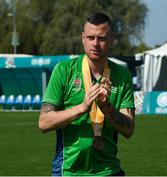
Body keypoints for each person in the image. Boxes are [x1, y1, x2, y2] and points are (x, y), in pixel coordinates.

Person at [38, 12, 135, 176]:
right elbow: (44, 123)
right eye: (90, 38)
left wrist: (107, 108)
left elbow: (129, 130)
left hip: (108, 171)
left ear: (112, 40)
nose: (95, 43)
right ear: (83, 38)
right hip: (68, 171)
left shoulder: (122, 76)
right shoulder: (64, 71)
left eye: (102, 38)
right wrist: (82, 107)